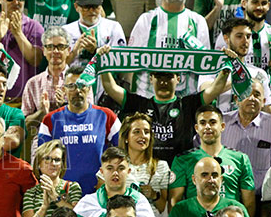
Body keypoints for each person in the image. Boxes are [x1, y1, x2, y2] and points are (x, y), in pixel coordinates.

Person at [97, 45, 229, 164]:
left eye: (169, 77)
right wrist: (103, 62)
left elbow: (214, 90)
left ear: (178, 79)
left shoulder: (188, 104)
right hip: (148, 170)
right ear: (151, 79)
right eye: (159, 77)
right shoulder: (140, 104)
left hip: (182, 170)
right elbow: (111, 87)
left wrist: (225, 70)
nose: (163, 82)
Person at [37, 65, 121, 196]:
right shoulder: (50, 120)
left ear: (89, 88)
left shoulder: (107, 116)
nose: (77, 90)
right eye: (71, 86)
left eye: (82, 85)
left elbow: (123, 152)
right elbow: (43, 161)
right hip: (61, 195)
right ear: (64, 89)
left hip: (99, 194)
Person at [128, 0, 211, 98]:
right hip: (148, 97)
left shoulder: (198, 21)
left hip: (187, 98)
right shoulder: (147, 19)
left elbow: (206, 64)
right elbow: (130, 61)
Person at [170, 105, 256, 217]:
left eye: (212, 122)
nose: (207, 127)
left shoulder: (240, 159)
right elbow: (174, 202)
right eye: (202, 123)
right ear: (196, 128)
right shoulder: (182, 160)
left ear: (222, 126)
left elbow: (249, 203)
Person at [73, 147, 160, 217]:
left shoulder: (139, 202)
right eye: (110, 168)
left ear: (128, 171)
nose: (115, 173)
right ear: (102, 172)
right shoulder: (88, 203)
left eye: (121, 168)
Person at [222, 80, 271, 194]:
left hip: (261, 195)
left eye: (256, 94)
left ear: (263, 102)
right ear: (236, 99)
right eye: (246, 94)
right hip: (227, 194)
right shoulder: (221, 121)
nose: (251, 98)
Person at [198, 18, 271, 114]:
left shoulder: (258, 73)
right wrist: (242, 80)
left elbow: (267, 108)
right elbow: (206, 93)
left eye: (248, 36)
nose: (245, 41)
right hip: (220, 121)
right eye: (239, 36)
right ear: (226, 38)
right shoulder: (211, 69)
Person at [22, 141, 82, 217]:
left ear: (62, 164)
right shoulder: (31, 193)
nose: (52, 163)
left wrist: (55, 196)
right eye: (47, 159)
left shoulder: (72, 187)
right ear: (39, 164)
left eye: (57, 160)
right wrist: (44, 207)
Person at [114, 113, 170, 217]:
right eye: (136, 132)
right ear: (126, 138)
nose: (143, 136)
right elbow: (102, 202)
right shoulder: (114, 166)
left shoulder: (162, 166)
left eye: (146, 132)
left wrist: (154, 195)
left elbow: (164, 208)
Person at [22, 27, 72, 145]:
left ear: (68, 50)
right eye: (50, 47)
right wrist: (41, 112)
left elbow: (88, 118)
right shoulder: (33, 83)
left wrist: (65, 107)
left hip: (72, 140)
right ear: (44, 51)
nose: (55, 51)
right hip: (42, 143)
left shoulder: (80, 81)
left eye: (60, 46)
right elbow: (25, 124)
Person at [63, 0, 126, 74]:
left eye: (95, 6)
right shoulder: (66, 31)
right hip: (73, 81)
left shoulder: (113, 27)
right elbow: (58, 67)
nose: (92, 11)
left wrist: (95, 51)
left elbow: (121, 63)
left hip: (104, 80)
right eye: (86, 7)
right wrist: (74, 52)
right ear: (76, 7)